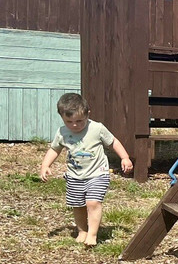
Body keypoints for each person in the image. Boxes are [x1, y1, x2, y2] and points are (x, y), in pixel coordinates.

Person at [38, 93, 133, 247]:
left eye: (79, 121)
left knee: (93, 202)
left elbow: (113, 142)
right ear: (62, 117)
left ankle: (92, 234)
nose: (75, 125)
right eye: (69, 122)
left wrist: (125, 157)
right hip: (75, 175)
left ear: (88, 114)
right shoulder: (62, 132)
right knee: (78, 205)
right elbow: (54, 149)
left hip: (98, 173)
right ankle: (82, 231)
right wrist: (45, 165)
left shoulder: (96, 128)